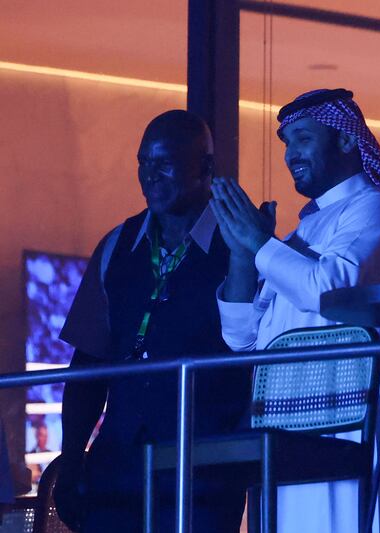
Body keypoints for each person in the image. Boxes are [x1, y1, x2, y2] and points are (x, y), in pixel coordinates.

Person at [211, 88, 380, 533]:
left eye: (304, 138)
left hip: (356, 413)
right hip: (287, 417)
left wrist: (260, 245)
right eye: (287, 143)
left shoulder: (379, 209)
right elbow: (241, 337)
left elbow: (329, 289)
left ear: (347, 141)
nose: (291, 153)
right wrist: (241, 253)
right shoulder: (299, 233)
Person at [54, 110, 250, 533]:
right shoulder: (117, 245)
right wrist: (71, 459)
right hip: (117, 468)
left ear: (206, 167)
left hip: (204, 473)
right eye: (143, 163)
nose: (149, 175)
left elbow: (259, 364)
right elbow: (87, 367)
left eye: (164, 163)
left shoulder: (242, 244)